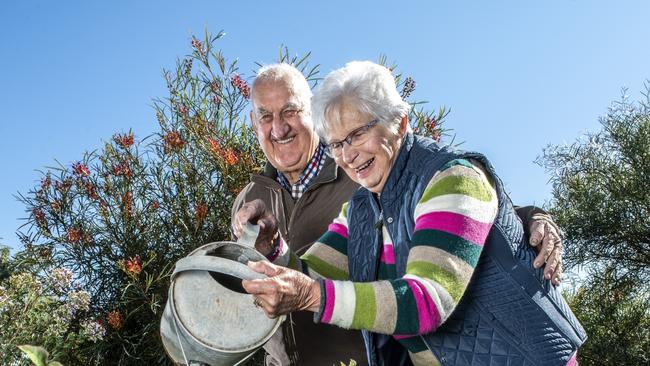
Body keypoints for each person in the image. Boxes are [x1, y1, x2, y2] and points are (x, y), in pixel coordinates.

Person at [235, 61, 585, 366]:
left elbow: (427, 301)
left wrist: (313, 294)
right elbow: (311, 272)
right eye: (338, 144)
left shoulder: (453, 178)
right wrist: (273, 246)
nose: (348, 155)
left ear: (400, 123)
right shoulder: (361, 207)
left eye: (358, 134)